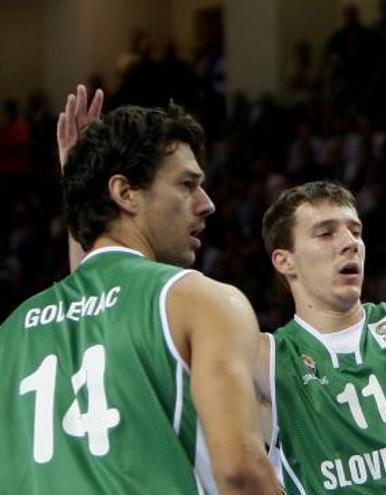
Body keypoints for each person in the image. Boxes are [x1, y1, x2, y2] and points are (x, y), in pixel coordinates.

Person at [4, 85, 281, 494]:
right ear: (124, 193)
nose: (207, 203)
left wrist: (82, 186)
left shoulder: (12, 332)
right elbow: (240, 474)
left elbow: (101, 305)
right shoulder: (201, 301)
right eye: (187, 184)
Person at [257, 181, 386, 493]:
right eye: (325, 233)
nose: (350, 243)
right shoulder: (267, 358)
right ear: (285, 261)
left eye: (356, 231)